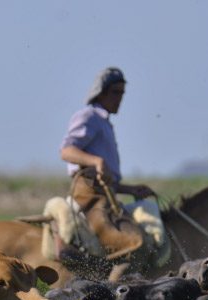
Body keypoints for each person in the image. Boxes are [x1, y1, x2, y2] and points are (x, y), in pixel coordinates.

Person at [60, 67, 157, 265]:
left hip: (105, 195)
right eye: (115, 92)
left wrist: (130, 189)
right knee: (137, 244)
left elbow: (104, 178)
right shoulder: (89, 116)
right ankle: (113, 284)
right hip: (89, 198)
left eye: (122, 93)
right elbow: (67, 151)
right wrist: (96, 161)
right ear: (101, 93)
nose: (120, 98)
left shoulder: (104, 123)